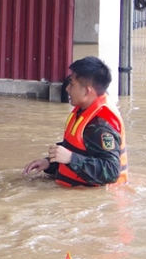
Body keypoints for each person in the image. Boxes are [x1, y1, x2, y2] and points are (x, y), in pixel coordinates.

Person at [23, 56, 128, 187]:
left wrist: (71, 158)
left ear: (86, 91)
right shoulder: (83, 111)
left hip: (94, 201)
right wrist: (49, 163)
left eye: (72, 84)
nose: (67, 89)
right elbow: (80, 148)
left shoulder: (100, 126)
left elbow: (111, 171)